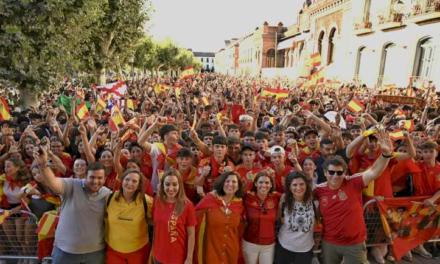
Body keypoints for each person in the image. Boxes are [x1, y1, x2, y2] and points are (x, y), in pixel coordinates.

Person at [314, 130, 393, 264]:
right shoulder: (319, 190)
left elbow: (374, 171)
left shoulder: (353, 182)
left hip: (354, 243)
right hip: (329, 243)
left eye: (339, 173)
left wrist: (385, 155)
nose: (335, 176)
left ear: (345, 172)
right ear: (325, 172)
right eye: (331, 172)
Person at [33, 147, 111, 264]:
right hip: (65, 252)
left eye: (100, 178)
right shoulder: (71, 185)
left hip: (95, 253)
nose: (95, 181)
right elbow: (53, 182)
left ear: (105, 179)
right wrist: (43, 164)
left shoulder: (107, 194)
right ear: (86, 176)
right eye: (92, 177)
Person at [105, 169, 153, 264]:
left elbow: (155, 222)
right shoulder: (109, 198)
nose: (130, 183)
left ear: (139, 185)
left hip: (139, 251)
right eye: (127, 179)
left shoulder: (146, 201)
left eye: (134, 181)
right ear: (122, 180)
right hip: (113, 250)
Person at [196, 171, 244, 264]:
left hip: (231, 249)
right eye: (227, 181)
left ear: (238, 186)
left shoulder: (239, 204)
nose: (230, 184)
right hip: (212, 249)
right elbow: (194, 218)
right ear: (222, 183)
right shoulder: (210, 199)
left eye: (234, 182)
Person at [152, 169, 196, 264]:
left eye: (175, 184)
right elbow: (156, 227)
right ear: (162, 185)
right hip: (158, 256)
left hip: (178, 258)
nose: (171, 188)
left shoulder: (187, 205)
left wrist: (189, 258)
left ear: (180, 185)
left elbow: (191, 234)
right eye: (167, 184)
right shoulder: (157, 201)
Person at [275, 172, 315, 264]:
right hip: (284, 248)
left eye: (301, 184)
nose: (298, 188)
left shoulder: (313, 199)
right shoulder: (284, 199)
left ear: (306, 185)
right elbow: (279, 219)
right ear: (289, 187)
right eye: (294, 185)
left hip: (305, 250)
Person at [242, 171, 280, 264]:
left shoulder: (276, 197)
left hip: (269, 245)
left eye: (267, 183)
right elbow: (235, 192)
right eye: (260, 182)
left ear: (271, 185)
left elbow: (292, 194)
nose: (264, 185)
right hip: (250, 242)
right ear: (255, 184)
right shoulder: (247, 197)